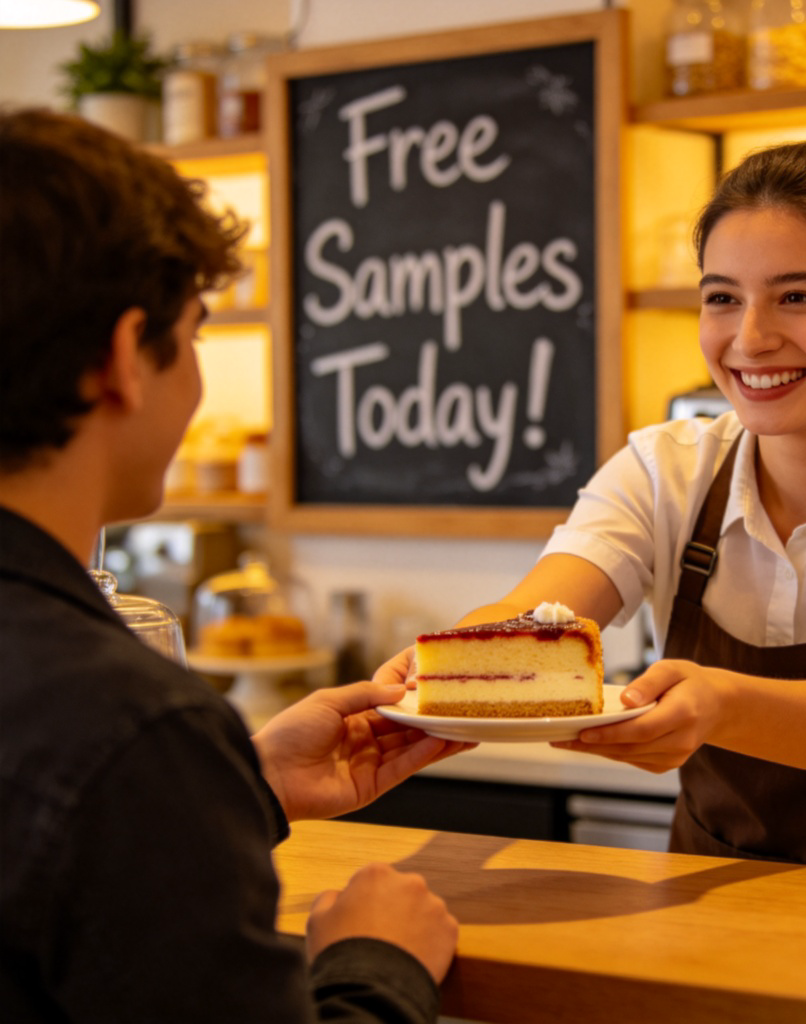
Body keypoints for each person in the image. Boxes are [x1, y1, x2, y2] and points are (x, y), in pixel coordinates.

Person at [382, 131, 806, 872]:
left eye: (798, 297)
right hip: (704, 894)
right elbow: (539, 614)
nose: (750, 338)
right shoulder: (664, 470)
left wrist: (718, 703)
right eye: (723, 298)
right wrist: (440, 669)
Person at [0, 106, 467, 1023]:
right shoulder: (131, 726)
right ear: (127, 357)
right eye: (199, 332)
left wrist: (232, 792)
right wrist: (378, 963)